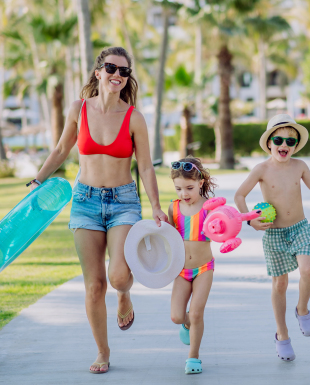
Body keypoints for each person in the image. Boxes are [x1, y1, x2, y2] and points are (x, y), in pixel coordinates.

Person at [28, 47, 168, 374]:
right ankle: (103, 352)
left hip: (123, 202)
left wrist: (157, 207)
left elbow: (145, 167)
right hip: (85, 202)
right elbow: (63, 148)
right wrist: (37, 180)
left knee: (119, 276)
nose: (117, 75)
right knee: (94, 285)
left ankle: (124, 296)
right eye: (111, 68)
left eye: (124, 71)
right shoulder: (79, 109)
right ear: (98, 72)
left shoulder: (134, 117)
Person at [234, 114, 310, 362]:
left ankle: (302, 309)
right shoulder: (261, 169)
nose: (284, 145)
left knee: (308, 271)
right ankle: (282, 334)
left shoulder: (300, 166)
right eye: (279, 140)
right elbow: (239, 196)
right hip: (274, 233)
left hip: (300, 228)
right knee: (280, 285)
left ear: (295, 146)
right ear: (269, 142)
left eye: (290, 142)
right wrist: (250, 220)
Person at [168, 157, 217, 375]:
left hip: (204, 268)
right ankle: (186, 324)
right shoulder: (174, 208)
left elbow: (224, 228)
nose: (183, 194)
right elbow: (165, 237)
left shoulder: (209, 206)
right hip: (181, 270)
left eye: (189, 188)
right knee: (177, 316)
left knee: (197, 313)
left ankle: (193, 358)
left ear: (200, 182)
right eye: (178, 189)